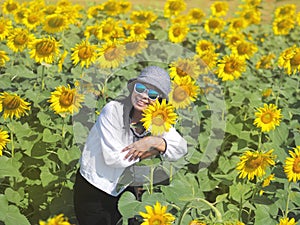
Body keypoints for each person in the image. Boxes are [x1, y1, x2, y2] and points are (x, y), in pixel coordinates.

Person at [73, 65, 187, 225]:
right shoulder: (113, 110)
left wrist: (153, 141)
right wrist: (154, 151)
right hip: (94, 188)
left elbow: (180, 148)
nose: (144, 96)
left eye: (153, 94)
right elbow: (114, 159)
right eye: (140, 88)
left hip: (121, 187)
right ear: (133, 88)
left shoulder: (157, 119)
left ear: (160, 101)